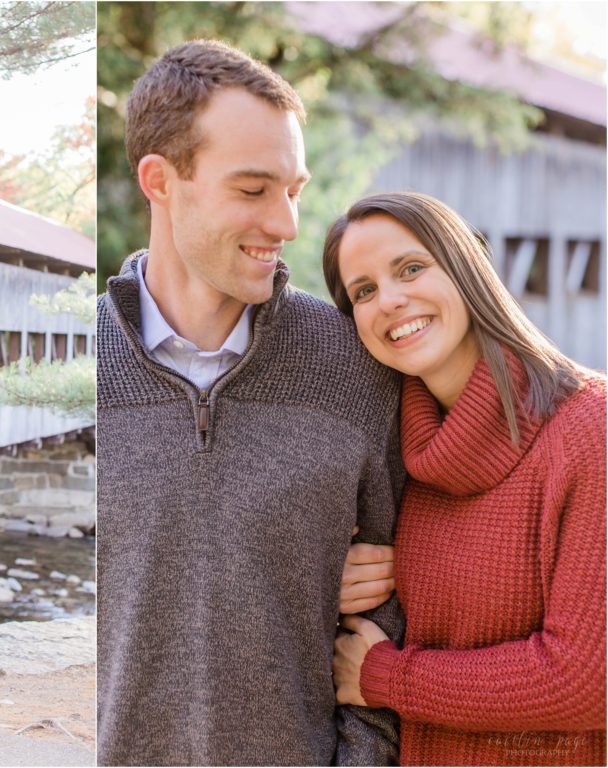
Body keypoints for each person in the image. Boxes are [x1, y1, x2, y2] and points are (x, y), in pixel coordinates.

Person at [97, 39, 406, 766]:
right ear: (161, 180)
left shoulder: (356, 366)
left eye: (294, 189)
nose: (288, 224)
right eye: (253, 189)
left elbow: (398, 625)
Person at [323, 191, 606, 766]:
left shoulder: (589, 431)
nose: (392, 301)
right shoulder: (398, 460)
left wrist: (387, 678)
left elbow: (585, 681)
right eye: (364, 291)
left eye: (410, 268)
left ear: (465, 267)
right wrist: (342, 568)